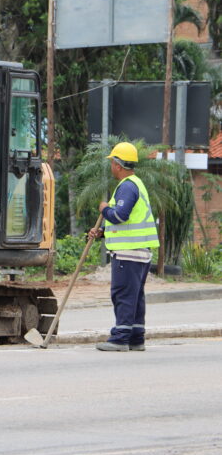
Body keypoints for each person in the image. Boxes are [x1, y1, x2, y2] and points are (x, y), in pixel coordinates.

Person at [88, 142, 160, 352]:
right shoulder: (135, 184)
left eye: (112, 162)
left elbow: (120, 216)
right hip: (138, 251)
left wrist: (105, 208)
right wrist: (102, 232)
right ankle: (136, 338)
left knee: (123, 294)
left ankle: (120, 338)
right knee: (135, 295)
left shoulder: (127, 186)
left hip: (129, 253)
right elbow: (125, 224)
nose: (111, 166)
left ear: (118, 164)